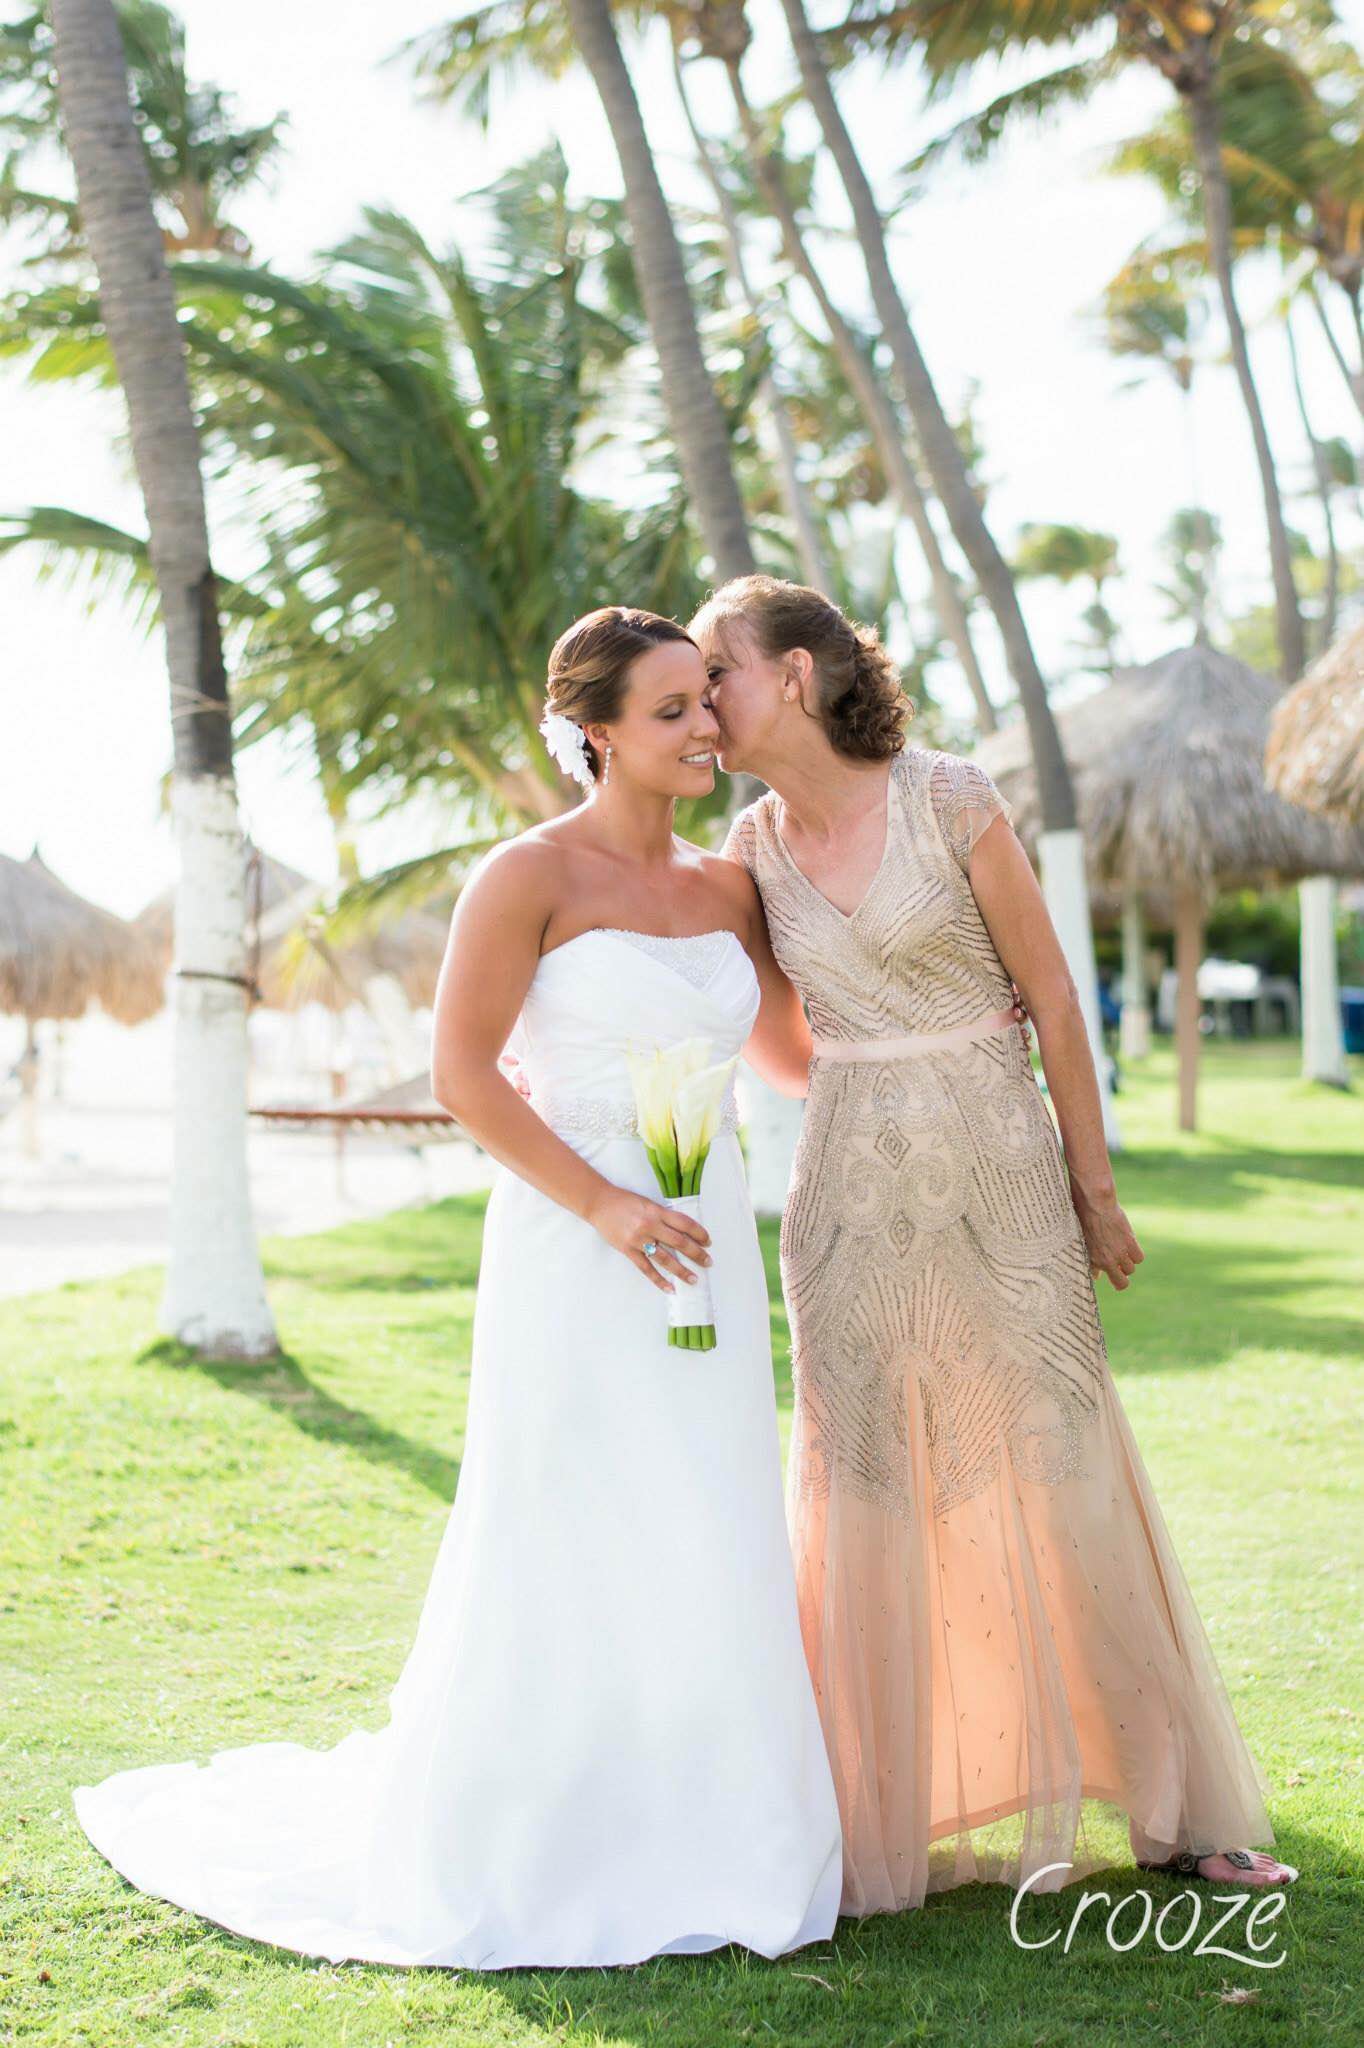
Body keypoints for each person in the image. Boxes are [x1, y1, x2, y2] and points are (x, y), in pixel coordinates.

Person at [72, 606, 843, 1970]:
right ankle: (541, 1830)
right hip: (575, 1235)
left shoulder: (734, 888)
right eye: (671, 711)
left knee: (705, 1504)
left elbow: (792, 1054)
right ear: (592, 731)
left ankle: (712, 1823)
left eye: (705, 704)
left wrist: (933, 1011)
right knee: (570, 1508)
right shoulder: (524, 877)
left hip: (705, 1230)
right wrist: (606, 1201)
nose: (703, 729)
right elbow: (463, 1076)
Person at [693, 572, 1299, 1911]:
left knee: (1062, 1461)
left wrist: (1093, 1186)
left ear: (793, 675)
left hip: (1006, 1177)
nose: (706, 701)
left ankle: (1174, 1813)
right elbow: (780, 1046)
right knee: (865, 1485)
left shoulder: (949, 796)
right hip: (846, 1198)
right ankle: (880, 1821)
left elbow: (1054, 1001)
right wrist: (874, 1073)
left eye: (720, 672)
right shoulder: (747, 848)